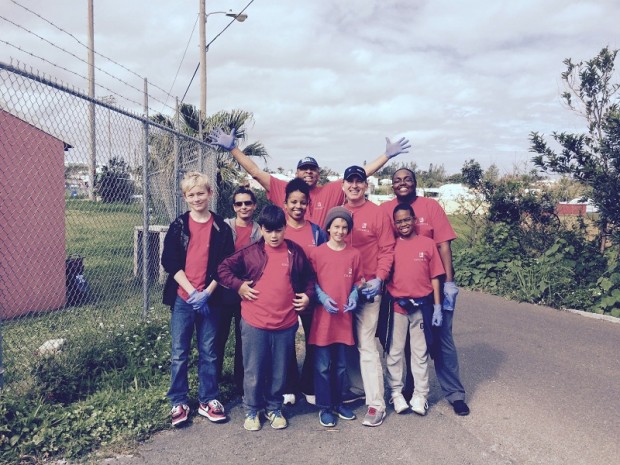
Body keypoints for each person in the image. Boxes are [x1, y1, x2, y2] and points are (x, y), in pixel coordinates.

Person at [217, 205, 316, 431]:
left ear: (285, 229)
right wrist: (239, 286)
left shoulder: (295, 252)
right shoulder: (250, 252)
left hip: (286, 322)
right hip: (255, 322)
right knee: (254, 368)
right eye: (269, 230)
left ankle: (274, 407)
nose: (274, 236)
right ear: (261, 229)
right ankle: (252, 409)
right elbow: (223, 269)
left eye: (279, 230)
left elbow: (310, 277)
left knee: (279, 369)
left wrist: (308, 297)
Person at [380, 168, 470, 416]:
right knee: (401, 343)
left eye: (407, 179)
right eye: (397, 180)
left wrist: (448, 283)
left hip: (432, 289)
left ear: (416, 182)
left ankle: (454, 393)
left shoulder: (430, 206)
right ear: (391, 185)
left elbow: (443, 245)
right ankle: (407, 390)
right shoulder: (385, 209)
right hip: (399, 292)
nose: (402, 183)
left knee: (441, 340)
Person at [206, 127, 411, 226]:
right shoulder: (284, 189)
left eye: (312, 169)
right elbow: (256, 172)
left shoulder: (330, 190)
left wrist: (386, 156)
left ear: (318, 173)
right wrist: (233, 149)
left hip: (321, 253)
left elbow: (359, 175)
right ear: (296, 173)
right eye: (304, 169)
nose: (308, 172)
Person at [161, 171, 235, 427]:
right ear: (185, 197)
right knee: (179, 352)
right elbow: (169, 261)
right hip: (184, 298)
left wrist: (207, 293)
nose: (196, 198)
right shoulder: (179, 225)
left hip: (210, 298)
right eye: (191, 195)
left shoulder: (221, 228)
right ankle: (178, 401)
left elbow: (225, 265)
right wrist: (191, 292)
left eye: (200, 193)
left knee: (209, 352)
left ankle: (208, 399)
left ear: (210, 194)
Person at [341, 165, 395, 427]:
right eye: (350, 181)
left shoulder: (377, 214)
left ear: (366, 185)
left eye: (359, 181)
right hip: (340, 289)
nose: (354, 185)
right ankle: (356, 387)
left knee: (366, 344)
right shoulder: (337, 213)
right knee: (346, 342)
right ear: (343, 185)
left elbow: (387, 249)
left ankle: (376, 403)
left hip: (366, 289)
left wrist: (379, 278)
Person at [384, 203, 444, 416]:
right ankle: (396, 393)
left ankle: (421, 395)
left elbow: (435, 276)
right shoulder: (391, 246)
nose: (403, 224)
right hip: (398, 306)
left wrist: (437, 307)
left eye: (407, 219)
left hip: (421, 306)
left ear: (414, 219)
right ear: (394, 223)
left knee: (420, 353)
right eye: (399, 221)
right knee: (394, 352)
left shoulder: (427, 244)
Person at [308, 206, 363, 428]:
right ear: (328, 227)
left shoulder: (354, 254)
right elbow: (310, 281)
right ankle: (324, 406)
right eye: (336, 226)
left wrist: (355, 293)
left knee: (340, 365)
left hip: (343, 319)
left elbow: (360, 279)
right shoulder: (317, 253)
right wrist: (320, 295)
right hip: (323, 320)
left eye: (345, 227)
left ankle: (339, 403)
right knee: (322, 366)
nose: (340, 231)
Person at [281, 178, 328, 405]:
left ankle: (309, 384)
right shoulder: (279, 230)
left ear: (308, 204)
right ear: (285, 203)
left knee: (313, 341)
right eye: (293, 202)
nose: (298, 206)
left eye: (302, 202)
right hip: (284, 295)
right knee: (286, 341)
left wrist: (315, 294)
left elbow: (326, 262)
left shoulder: (317, 232)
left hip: (311, 294)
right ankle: (288, 385)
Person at [216, 187, 262, 393]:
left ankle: (241, 382)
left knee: (244, 338)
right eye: (239, 203)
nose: (243, 207)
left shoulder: (260, 231)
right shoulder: (224, 226)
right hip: (225, 289)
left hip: (248, 291)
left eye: (248, 203)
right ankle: (213, 380)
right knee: (219, 335)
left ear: (254, 205)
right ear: (233, 207)